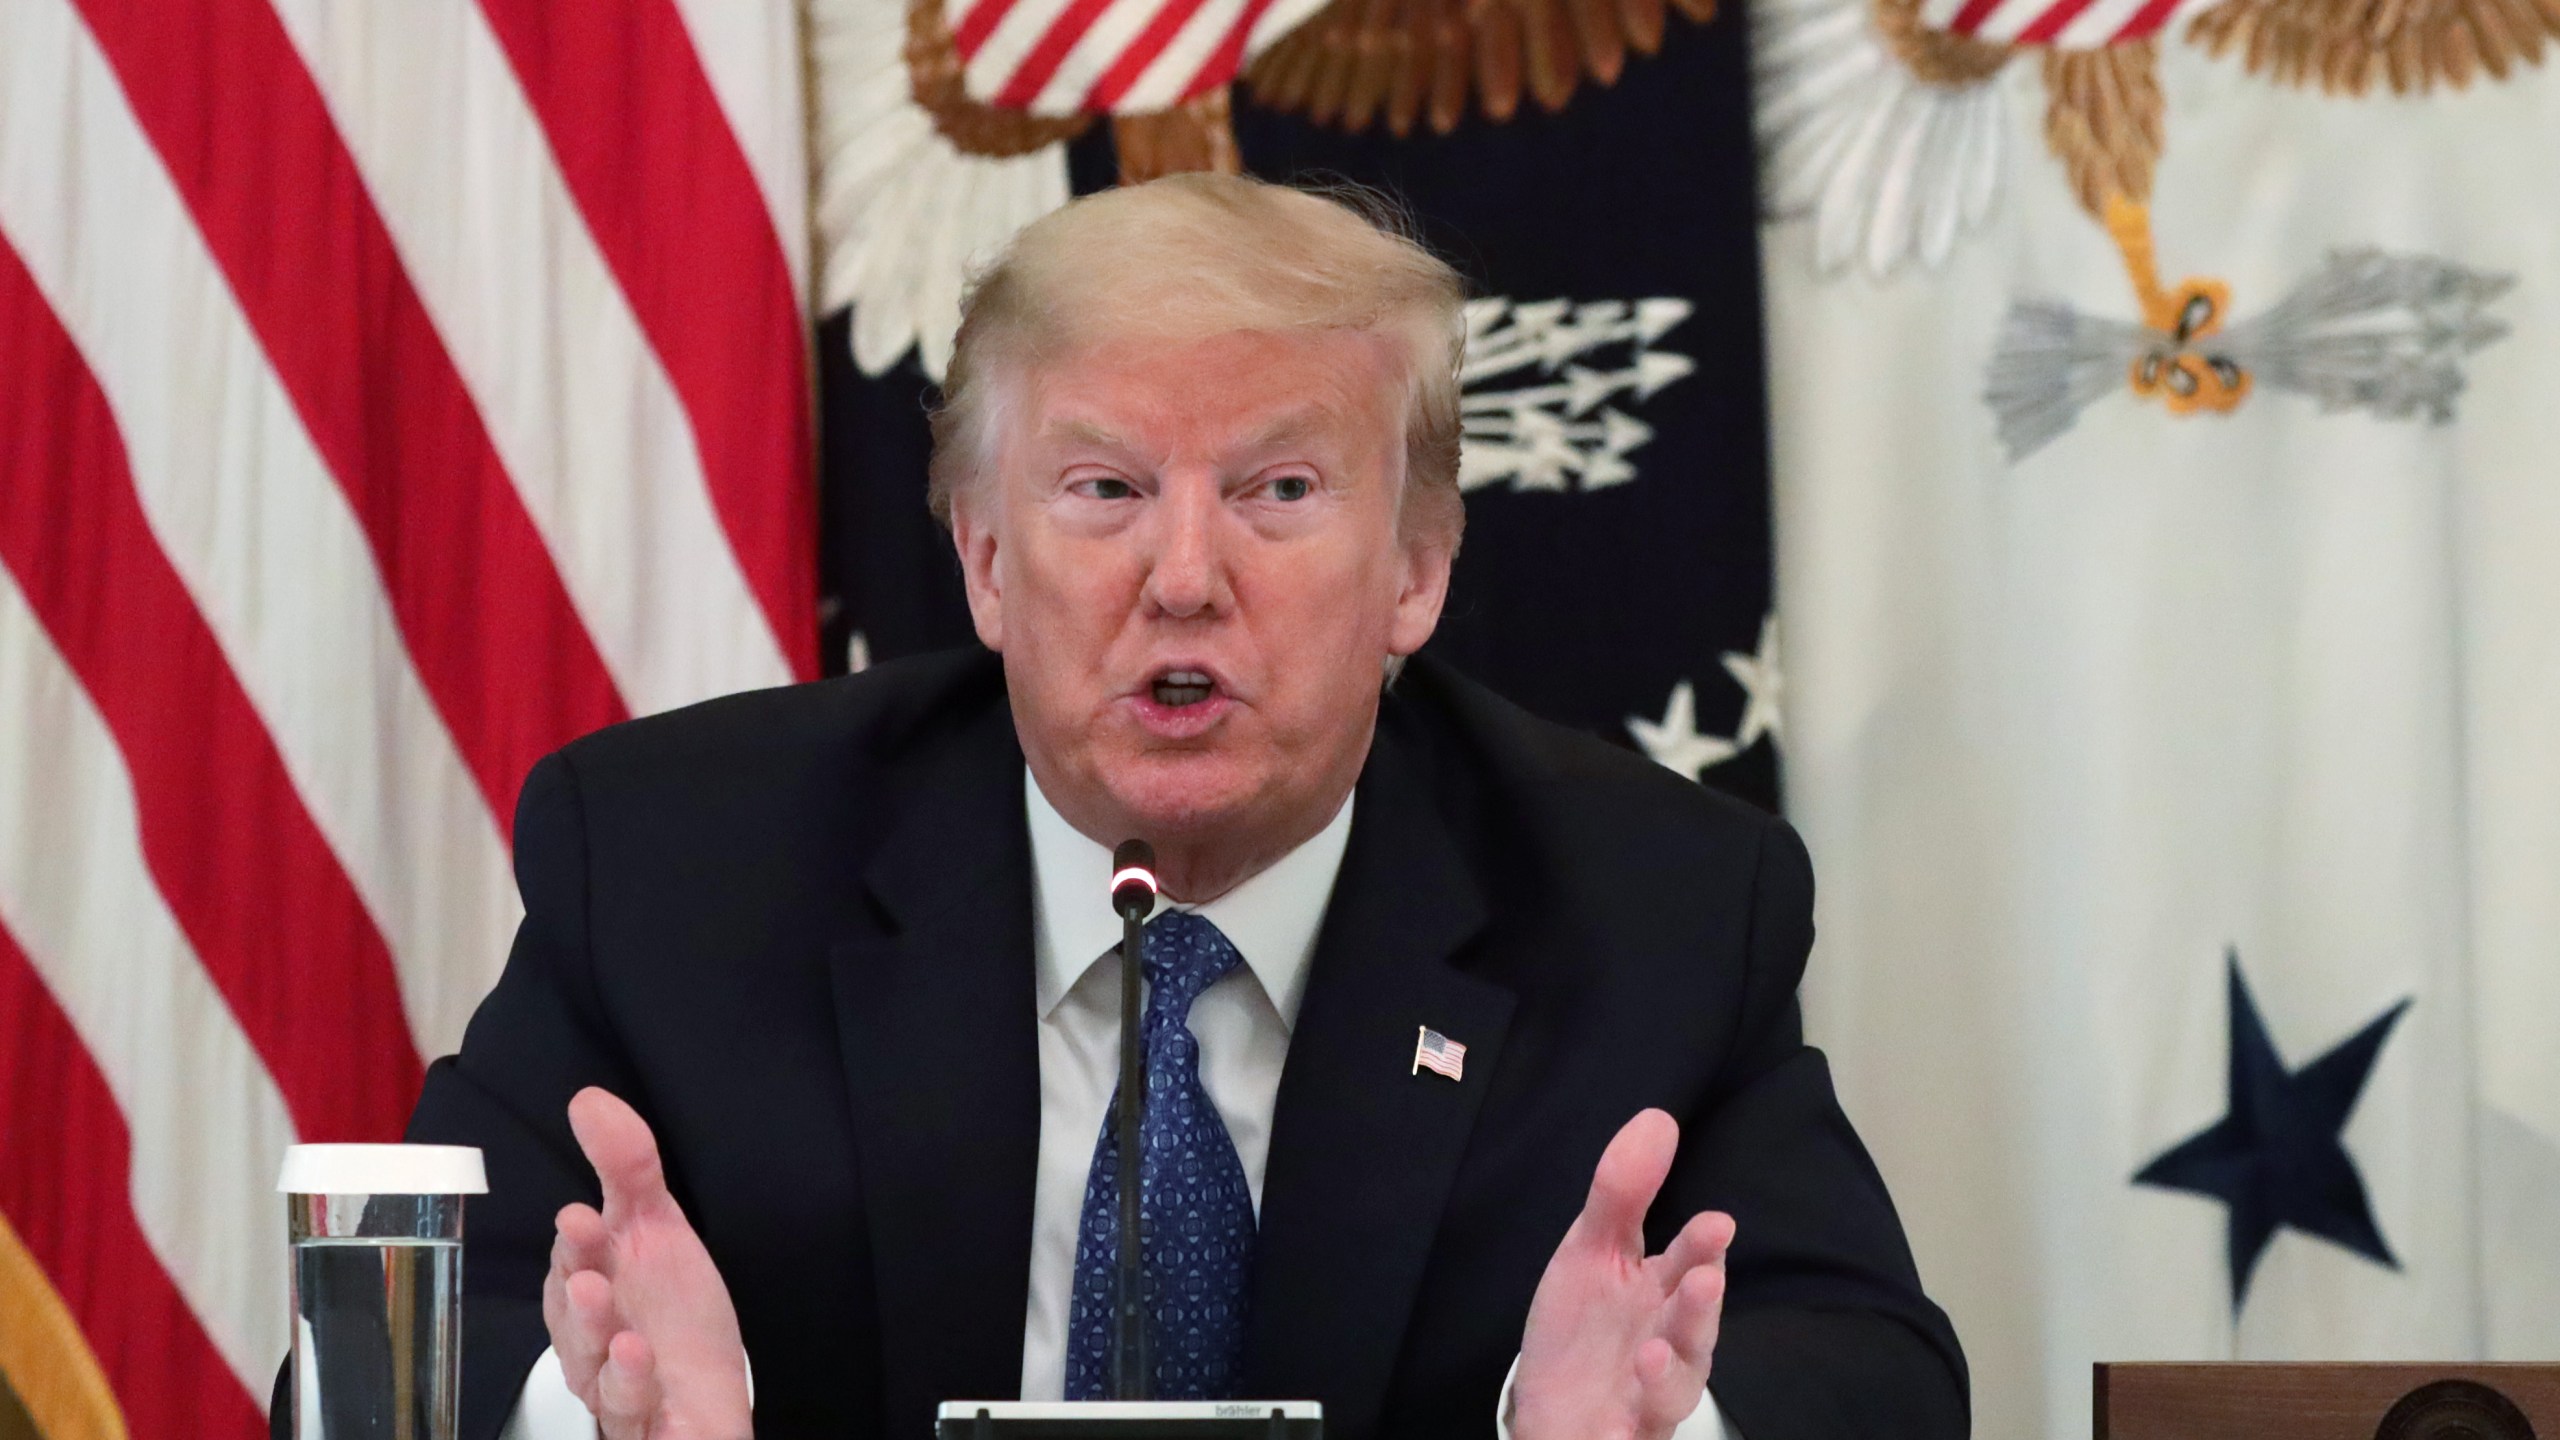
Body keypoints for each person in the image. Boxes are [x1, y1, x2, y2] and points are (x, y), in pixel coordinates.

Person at [366, 174, 1964, 1440]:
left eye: (1279, 491)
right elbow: (365, 1373)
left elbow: (1879, 1380)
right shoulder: (676, 865)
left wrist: (1641, 1438)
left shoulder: (1654, 906)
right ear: (988, 560)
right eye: (1105, 490)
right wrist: (590, 1419)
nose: (1185, 581)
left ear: (1415, 569)